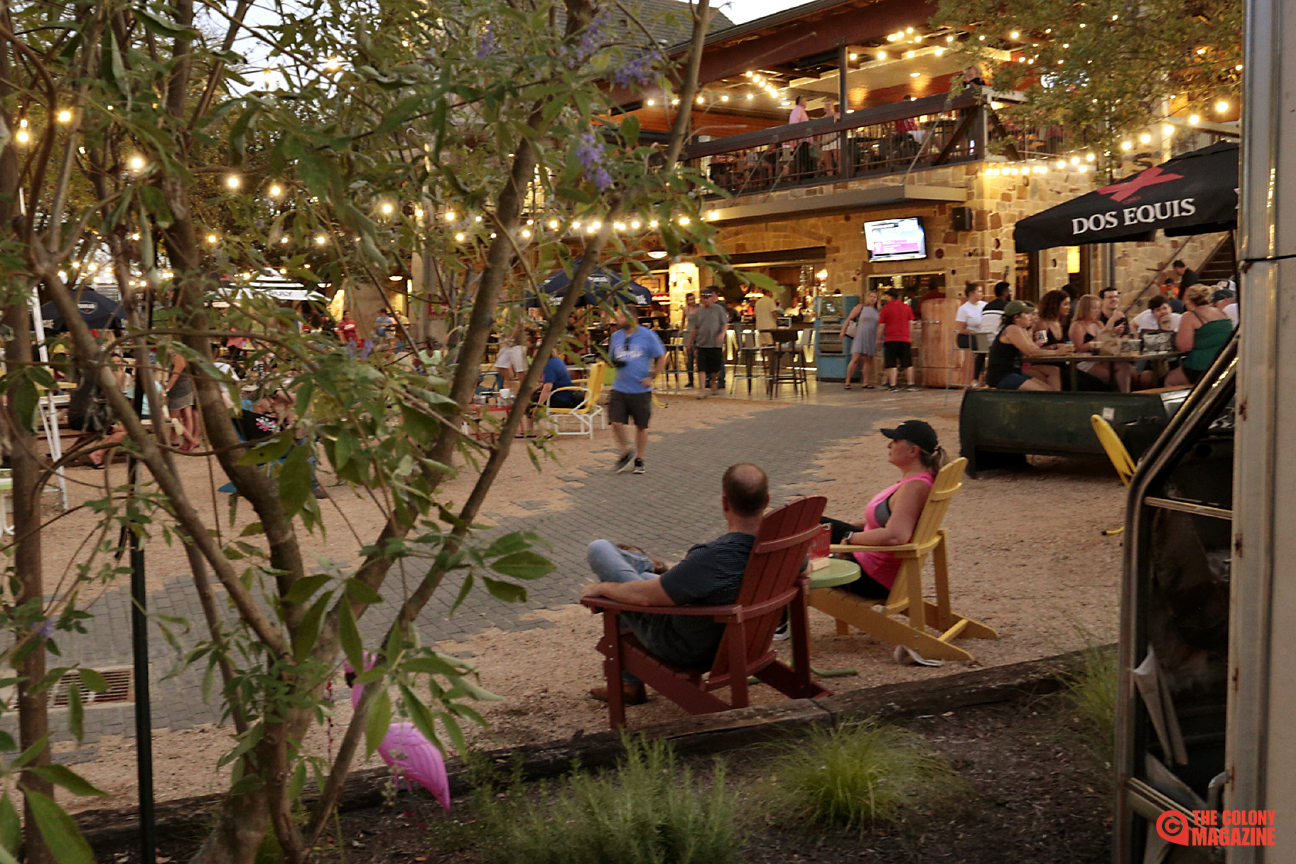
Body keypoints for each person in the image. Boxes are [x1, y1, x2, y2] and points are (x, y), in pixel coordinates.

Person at [581, 463, 770, 705]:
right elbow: (805, 566)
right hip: (740, 640)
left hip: (682, 646)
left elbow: (646, 598)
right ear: (766, 501)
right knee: (646, 581)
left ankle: (643, 563)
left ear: (724, 503)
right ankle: (647, 567)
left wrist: (601, 589)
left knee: (599, 550)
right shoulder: (781, 545)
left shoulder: (712, 558)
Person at [820, 421, 948, 599]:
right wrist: (857, 526)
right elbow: (896, 519)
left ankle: (780, 618)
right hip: (872, 561)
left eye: (895, 441)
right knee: (809, 521)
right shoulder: (918, 480)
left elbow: (897, 535)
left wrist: (850, 538)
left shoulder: (914, 487)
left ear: (913, 451)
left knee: (791, 562)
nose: (889, 445)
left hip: (871, 576)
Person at [608, 307, 667, 474]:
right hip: (619, 387)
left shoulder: (647, 335)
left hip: (640, 388)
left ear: (632, 317)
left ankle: (639, 458)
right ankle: (625, 449)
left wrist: (652, 376)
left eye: (620, 316)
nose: (617, 319)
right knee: (615, 421)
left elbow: (661, 356)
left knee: (641, 426)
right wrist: (613, 362)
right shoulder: (615, 336)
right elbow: (611, 358)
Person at [985, 300, 1073, 391]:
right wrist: (1057, 352)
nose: (1030, 317)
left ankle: (1055, 402)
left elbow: (1032, 348)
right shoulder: (1012, 328)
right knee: (1046, 391)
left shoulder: (1021, 329)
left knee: (1050, 387)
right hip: (1002, 375)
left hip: (1014, 371)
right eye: (1026, 314)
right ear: (1016, 317)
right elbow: (1031, 352)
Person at [1165, 284, 1233, 387]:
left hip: (1201, 366)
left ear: (1189, 300)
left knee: (1171, 379)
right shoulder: (1221, 313)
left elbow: (1184, 346)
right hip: (1224, 363)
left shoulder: (1190, 316)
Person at [1070, 294, 1133, 392]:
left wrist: (1114, 332)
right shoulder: (1077, 325)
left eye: (1099, 308)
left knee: (1124, 366)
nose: (1097, 311)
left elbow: (1105, 341)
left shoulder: (1098, 324)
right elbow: (1079, 348)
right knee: (1110, 377)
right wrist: (1097, 340)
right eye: (1094, 308)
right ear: (1085, 309)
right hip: (1085, 361)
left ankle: (1126, 394)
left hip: (1100, 357)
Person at [689, 289, 728, 398]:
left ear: (712, 298)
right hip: (701, 343)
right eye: (703, 298)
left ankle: (713, 382)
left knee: (715, 367)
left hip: (715, 343)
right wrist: (689, 343)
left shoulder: (719, 310)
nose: (706, 300)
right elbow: (694, 328)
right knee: (701, 367)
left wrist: (722, 334)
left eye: (707, 298)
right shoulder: (698, 311)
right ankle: (702, 390)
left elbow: (725, 323)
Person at [877, 289, 917, 391]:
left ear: (890, 296)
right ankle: (911, 384)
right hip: (904, 338)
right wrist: (910, 337)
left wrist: (878, 339)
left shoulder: (885, 309)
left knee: (891, 363)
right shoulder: (907, 307)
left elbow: (881, 326)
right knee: (907, 363)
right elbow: (911, 324)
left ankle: (893, 385)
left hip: (891, 338)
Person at [842, 291, 879, 389]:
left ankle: (866, 382)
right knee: (855, 359)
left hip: (871, 336)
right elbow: (849, 318)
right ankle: (848, 380)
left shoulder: (878, 311)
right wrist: (843, 330)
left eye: (875, 297)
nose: (872, 299)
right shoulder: (861, 307)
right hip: (860, 335)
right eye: (871, 296)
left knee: (868, 360)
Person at [954, 282, 988, 384]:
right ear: (972, 293)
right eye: (979, 291)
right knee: (983, 346)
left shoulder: (984, 305)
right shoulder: (964, 309)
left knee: (987, 344)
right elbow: (961, 329)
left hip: (982, 336)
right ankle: (977, 377)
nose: (982, 294)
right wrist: (973, 332)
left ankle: (984, 374)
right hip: (967, 337)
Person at [493, 325, 529, 390]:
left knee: (520, 369)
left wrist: (510, 334)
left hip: (517, 344)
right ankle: (507, 385)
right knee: (500, 365)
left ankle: (523, 389)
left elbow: (519, 326)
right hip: (505, 344)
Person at [681, 292, 699, 388]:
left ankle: (703, 378)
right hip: (688, 333)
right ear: (687, 301)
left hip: (698, 333)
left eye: (694, 299)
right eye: (691, 299)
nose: (693, 301)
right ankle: (690, 379)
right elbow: (683, 320)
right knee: (689, 357)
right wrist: (681, 330)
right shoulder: (686, 309)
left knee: (699, 356)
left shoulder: (699, 309)